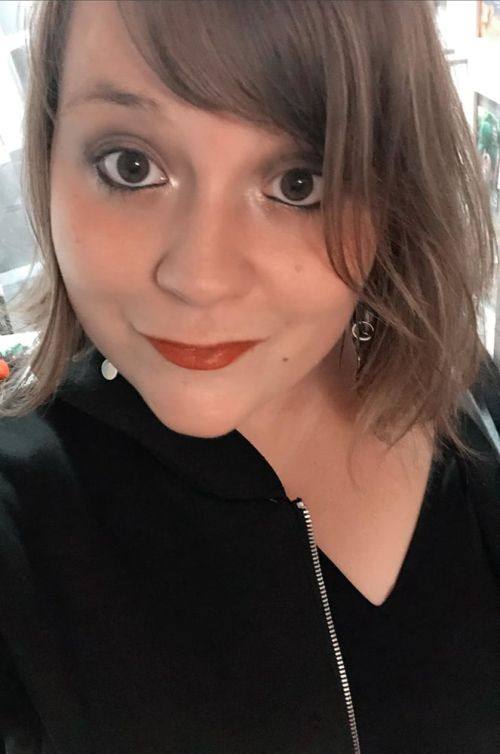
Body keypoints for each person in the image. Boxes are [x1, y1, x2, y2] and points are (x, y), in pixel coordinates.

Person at [0, 1, 499, 752]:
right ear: (48, 155)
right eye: (130, 166)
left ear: (393, 193)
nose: (200, 278)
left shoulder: (469, 400)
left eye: (299, 182)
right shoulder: (25, 518)